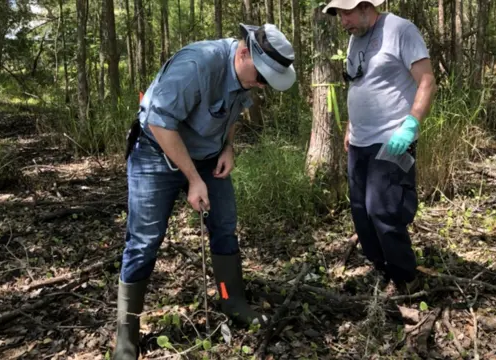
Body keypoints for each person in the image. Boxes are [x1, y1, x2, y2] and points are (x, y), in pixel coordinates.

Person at [113, 23, 296, 359]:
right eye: (261, 77)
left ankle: (231, 299)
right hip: (156, 152)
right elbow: (159, 122)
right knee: (143, 241)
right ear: (243, 53)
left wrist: (228, 148)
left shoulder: (248, 74)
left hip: (209, 154)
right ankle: (126, 334)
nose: (262, 85)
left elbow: (231, 115)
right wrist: (193, 179)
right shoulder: (197, 65)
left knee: (225, 227)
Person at [322, 0, 437, 293]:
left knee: (383, 209)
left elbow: (426, 81)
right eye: (339, 14)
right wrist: (350, 126)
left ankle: (406, 278)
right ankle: (382, 269)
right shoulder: (354, 40)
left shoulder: (401, 30)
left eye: (346, 12)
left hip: (393, 138)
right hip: (360, 141)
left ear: (365, 7)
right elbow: (358, 84)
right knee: (360, 210)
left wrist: (411, 125)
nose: (342, 20)